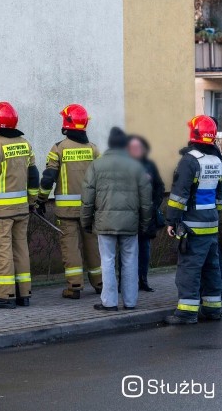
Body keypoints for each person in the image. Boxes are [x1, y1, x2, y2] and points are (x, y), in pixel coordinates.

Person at [0, 102, 41, 309]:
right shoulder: (25, 144)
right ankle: (24, 294)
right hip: (22, 209)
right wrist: (32, 202)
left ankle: (5, 296)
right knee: (21, 250)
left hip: (1, 213)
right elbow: (34, 176)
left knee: (2, 252)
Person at [164, 116, 222, 325]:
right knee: (212, 269)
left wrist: (171, 221)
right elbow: (221, 196)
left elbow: (179, 196)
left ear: (194, 134)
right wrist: (213, 213)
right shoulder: (218, 160)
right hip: (211, 224)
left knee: (189, 268)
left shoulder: (190, 161)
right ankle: (212, 309)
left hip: (192, 226)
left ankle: (187, 312)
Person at [81, 127, 152, 312]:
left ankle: (109, 302)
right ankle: (130, 302)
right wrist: (144, 223)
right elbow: (146, 200)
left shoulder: (97, 165)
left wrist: (86, 222)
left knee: (107, 261)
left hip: (105, 222)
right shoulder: (136, 166)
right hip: (130, 223)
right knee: (130, 261)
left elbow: (87, 199)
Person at [38, 104, 103, 299]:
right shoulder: (93, 149)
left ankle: (74, 286)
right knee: (93, 245)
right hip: (90, 209)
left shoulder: (59, 148)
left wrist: (41, 199)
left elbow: (48, 177)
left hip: (66, 211)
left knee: (70, 246)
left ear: (66, 123)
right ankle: (100, 283)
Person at [127, 135, 166, 292]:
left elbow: (160, 187)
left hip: (147, 215)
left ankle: (143, 279)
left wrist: (154, 205)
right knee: (127, 250)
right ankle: (125, 282)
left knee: (144, 249)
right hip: (129, 215)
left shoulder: (149, 165)